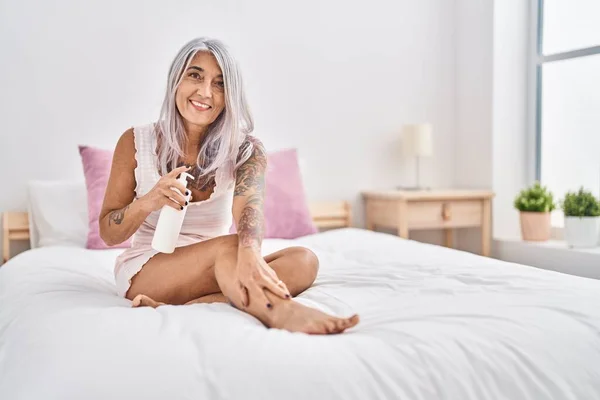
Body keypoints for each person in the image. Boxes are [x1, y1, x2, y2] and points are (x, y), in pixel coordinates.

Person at [99, 37, 359, 335]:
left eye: (220, 84)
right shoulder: (136, 141)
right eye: (195, 75)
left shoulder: (246, 150)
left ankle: (198, 303)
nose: (205, 92)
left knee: (303, 261)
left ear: (229, 96)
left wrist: (249, 255)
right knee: (230, 248)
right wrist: (148, 202)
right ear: (176, 81)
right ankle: (283, 311)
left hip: (223, 267)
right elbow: (109, 232)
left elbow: (250, 207)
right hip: (150, 269)